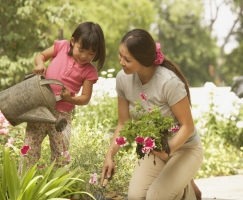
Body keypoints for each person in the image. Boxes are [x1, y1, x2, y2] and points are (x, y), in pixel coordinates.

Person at [101, 29, 204, 200]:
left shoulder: (168, 82)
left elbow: (187, 126)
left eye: (127, 59)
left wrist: (168, 149)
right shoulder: (123, 79)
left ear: (144, 60)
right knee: (135, 196)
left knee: (156, 196)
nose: (121, 62)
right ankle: (184, 186)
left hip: (185, 149)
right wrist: (109, 156)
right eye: (120, 56)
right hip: (156, 151)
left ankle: (187, 192)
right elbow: (123, 124)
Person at [19, 22, 106, 172]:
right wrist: (40, 65)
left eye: (91, 53)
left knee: (60, 156)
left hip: (62, 116)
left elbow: (85, 98)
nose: (85, 56)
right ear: (73, 42)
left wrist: (70, 99)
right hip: (41, 108)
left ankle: (57, 190)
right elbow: (41, 55)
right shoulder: (62, 47)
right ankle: (23, 186)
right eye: (81, 50)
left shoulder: (90, 71)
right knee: (30, 149)